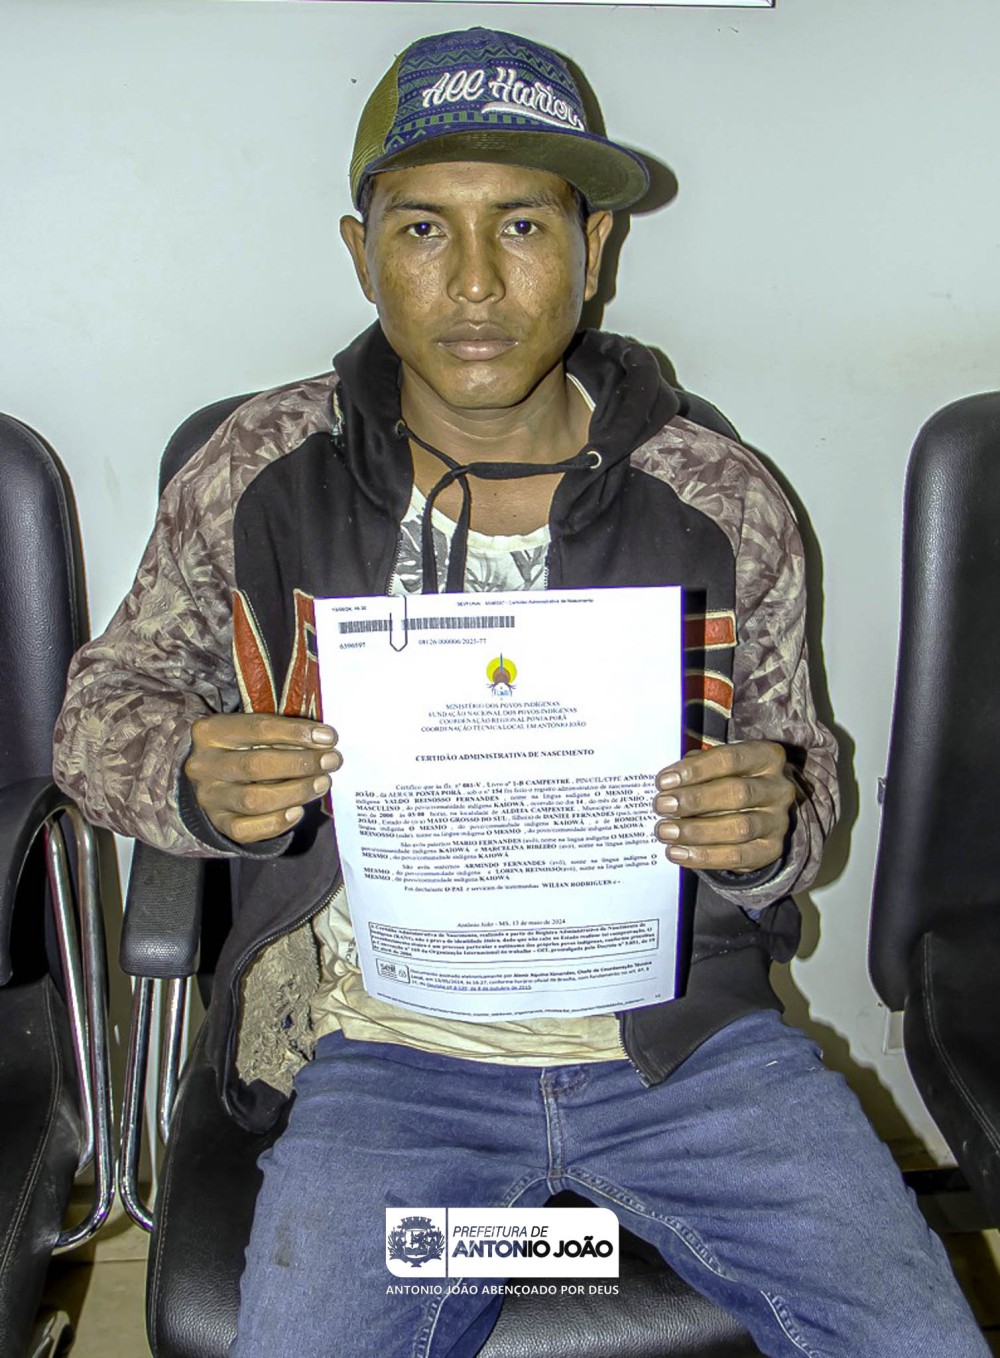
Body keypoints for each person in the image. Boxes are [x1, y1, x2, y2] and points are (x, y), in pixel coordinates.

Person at [53, 26, 988, 1358]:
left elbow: (801, 768)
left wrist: (770, 822)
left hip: (682, 1044)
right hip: (387, 1056)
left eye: (525, 226)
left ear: (595, 248)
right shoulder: (261, 469)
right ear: (361, 252)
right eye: (423, 229)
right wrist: (191, 776)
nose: (477, 281)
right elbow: (100, 714)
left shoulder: (719, 498)